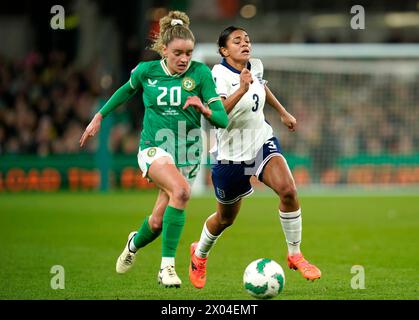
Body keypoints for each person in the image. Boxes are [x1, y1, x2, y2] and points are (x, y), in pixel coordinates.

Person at [79, 11, 228, 288]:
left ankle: (133, 243)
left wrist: (204, 108)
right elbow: (125, 90)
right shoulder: (146, 72)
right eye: (178, 53)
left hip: (187, 154)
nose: (184, 59)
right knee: (181, 192)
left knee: (158, 222)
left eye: (188, 53)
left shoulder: (201, 74)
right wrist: (99, 116)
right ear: (164, 50)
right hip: (153, 149)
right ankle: (167, 269)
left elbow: (222, 119)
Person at [188, 26, 321, 289]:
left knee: (288, 190)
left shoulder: (255, 66)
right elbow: (216, 117)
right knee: (225, 219)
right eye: (237, 41)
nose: (245, 43)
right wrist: (241, 88)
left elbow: (262, 88)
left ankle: (295, 254)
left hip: (261, 141)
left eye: (247, 39)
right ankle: (199, 254)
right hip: (230, 156)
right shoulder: (217, 75)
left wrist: (283, 113)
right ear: (224, 50)